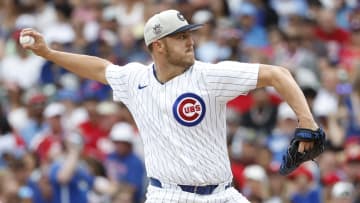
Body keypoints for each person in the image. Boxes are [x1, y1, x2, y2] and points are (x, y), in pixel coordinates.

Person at [20, 9, 319, 203]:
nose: (190, 42)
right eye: (180, 37)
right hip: (168, 195)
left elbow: (278, 74)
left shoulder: (209, 76)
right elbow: (99, 69)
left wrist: (307, 122)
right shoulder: (135, 80)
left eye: (189, 35)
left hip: (223, 194)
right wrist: (48, 52)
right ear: (158, 46)